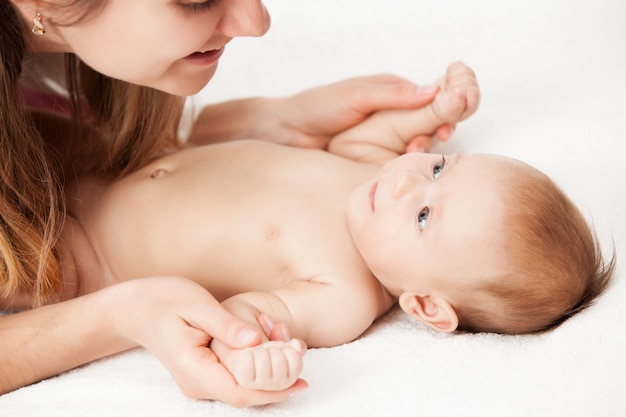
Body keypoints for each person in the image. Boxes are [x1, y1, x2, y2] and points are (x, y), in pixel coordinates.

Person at [63, 62, 614, 396]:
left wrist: (252, 350)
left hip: (80, 256)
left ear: (425, 306)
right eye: (441, 168)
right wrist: (433, 110)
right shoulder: (372, 174)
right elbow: (378, 137)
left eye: (423, 217)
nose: (405, 182)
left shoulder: (344, 297)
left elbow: (250, 314)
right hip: (105, 158)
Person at [0, 0, 452, 404]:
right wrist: (121, 314)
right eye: (197, 1)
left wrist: (253, 125)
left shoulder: (347, 293)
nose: (256, 22)